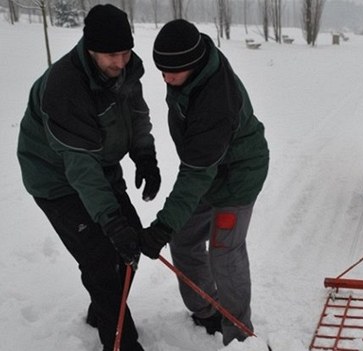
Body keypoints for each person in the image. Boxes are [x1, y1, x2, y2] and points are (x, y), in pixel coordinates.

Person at [17, 4, 160, 351]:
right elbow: (79, 166)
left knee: (130, 248)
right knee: (101, 259)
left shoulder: (126, 71)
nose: (120, 62)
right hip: (56, 180)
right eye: (111, 55)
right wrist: (110, 221)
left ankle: (104, 309)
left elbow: (137, 113)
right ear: (90, 48)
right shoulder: (65, 87)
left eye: (125, 52)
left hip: (101, 167)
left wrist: (145, 156)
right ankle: (121, 342)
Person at [139, 19, 269, 346]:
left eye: (171, 72)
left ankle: (240, 335)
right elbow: (199, 165)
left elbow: (196, 171)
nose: (166, 78)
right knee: (183, 239)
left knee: (224, 251)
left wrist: (162, 224)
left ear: (193, 64)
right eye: (161, 71)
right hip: (210, 168)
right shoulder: (190, 72)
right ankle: (205, 308)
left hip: (239, 174)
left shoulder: (216, 100)